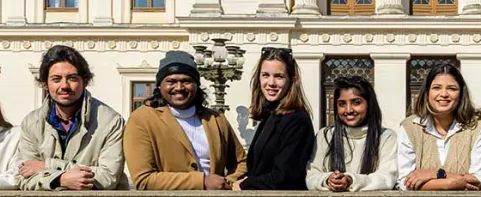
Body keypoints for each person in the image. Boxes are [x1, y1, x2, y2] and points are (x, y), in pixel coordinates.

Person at [123, 51, 248, 190]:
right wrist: (202, 182)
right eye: (171, 81)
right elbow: (143, 179)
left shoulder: (216, 119)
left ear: (196, 85)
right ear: (159, 86)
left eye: (186, 81)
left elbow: (241, 162)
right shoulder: (141, 120)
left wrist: (227, 183)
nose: (179, 88)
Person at [16, 45, 128, 191]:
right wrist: (60, 179)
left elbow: (108, 177)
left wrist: (48, 166)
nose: (64, 85)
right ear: (45, 84)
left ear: (85, 81)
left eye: (72, 78)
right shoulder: (31, 123)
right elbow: (23, 176)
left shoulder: (111, 121)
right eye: (56, 79)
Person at [396, 64, 481, 191]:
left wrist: (434, 174)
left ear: (461, 93)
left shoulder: (477, 126)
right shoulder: (409, 127)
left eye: (451, 88)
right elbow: (405, 183)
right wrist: (452, 182)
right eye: (436, 88)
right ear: (427, 92)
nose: (444, 94)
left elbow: (478, 181)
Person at [234, 47, 315, 190]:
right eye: (265, 75)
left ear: (291, 80)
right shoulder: (270, 115)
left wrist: (246, 184)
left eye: (279, 76)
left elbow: (284, 177)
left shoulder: (297, 120)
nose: (271, 83)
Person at [307, 76, 398, 191]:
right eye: (342, 104)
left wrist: (351, 180)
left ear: (369, 104)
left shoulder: (386, 137)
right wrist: (328, 180)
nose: (348, 110)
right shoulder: (325, 135)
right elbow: (311, 175)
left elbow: (386, 178)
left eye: (356, 102)